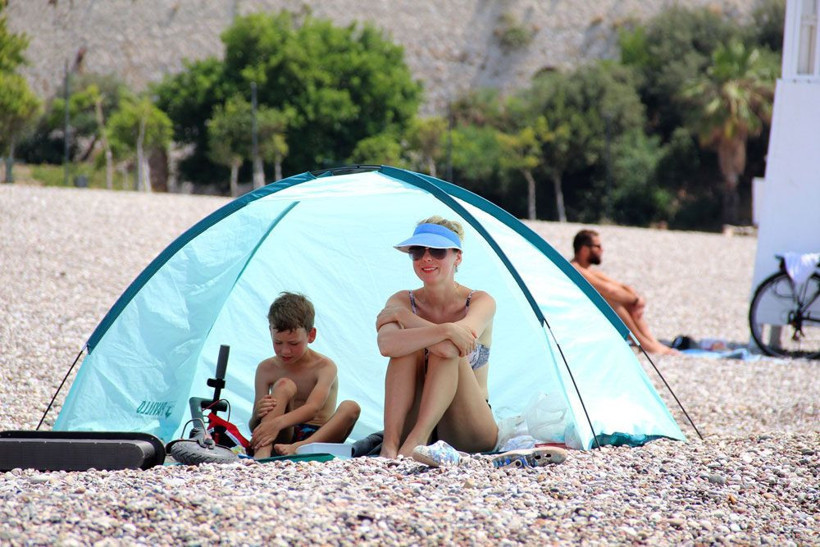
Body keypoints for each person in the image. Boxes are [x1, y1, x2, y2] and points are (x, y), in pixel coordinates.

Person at [376, 217, 499, 459]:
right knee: (406, 348)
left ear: (458, 257)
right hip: (418, 414)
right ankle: (389, 445)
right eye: (418, 251)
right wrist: (445, 330)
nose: (427, 258)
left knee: (445, 351)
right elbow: (386, 345)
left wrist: (407, 320)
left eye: (438, 251)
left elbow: (457, 344)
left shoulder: (479, 301)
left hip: (469, 425)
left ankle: (416, 441)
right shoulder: (401, 300)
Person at [249, 292, 361, 459]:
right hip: (281, 436)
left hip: (319, 437)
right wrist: (257, 415)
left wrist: (276, 423)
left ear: (311, 335)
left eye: (294, 343)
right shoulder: (266, 369)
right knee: (283, 385)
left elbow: (312, 409)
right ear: (270, 332)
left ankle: (298, 448)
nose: (285, 351)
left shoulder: (324, 366)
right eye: (278, 342)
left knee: (351, 407)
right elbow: (255, 426)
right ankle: (262, 452)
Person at [570, 229, 677, 355]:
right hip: (576, 315)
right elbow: (609, 290)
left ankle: (651, 342)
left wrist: (636, 299)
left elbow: (621, 287)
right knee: (610, 300)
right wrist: (635, 300)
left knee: (624, 299)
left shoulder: (590, 271)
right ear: (584, 249)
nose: (602, 250)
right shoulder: (575, 269)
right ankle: (644, 344)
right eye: (598, 246)